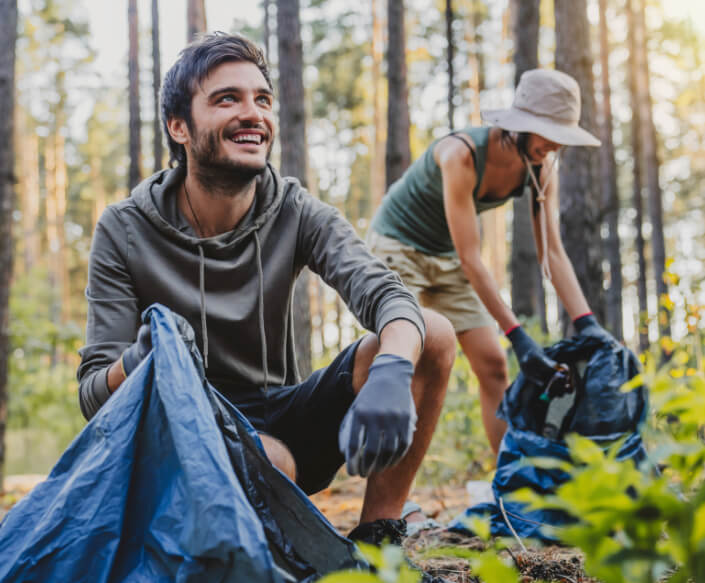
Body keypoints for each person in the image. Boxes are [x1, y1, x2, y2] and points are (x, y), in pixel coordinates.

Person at [77, 33, 456, 549]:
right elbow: (93, 396)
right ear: (179, 127)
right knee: (270, 461)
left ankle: (380, 539)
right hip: (186, 433)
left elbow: (386, 295)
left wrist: (391, 371)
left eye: (262, 99)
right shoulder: (123, 229)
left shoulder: (297, 210)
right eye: (227, 98)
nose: (253, 113)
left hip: (284, 414)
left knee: (429, 332)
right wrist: (140, 359)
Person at [368, 68, 613, 455]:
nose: (553, 146)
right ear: (520, 125)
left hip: (446, 257)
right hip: (398, 248)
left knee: (494, 364)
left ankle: (506, 482)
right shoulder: (461, 155)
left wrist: (588, 324)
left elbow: (553, 252)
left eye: (560, 137)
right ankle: (391, 492)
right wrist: (518, 335)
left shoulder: (540, 166)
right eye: (547, 132)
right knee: (408, 359)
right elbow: (472, 258)